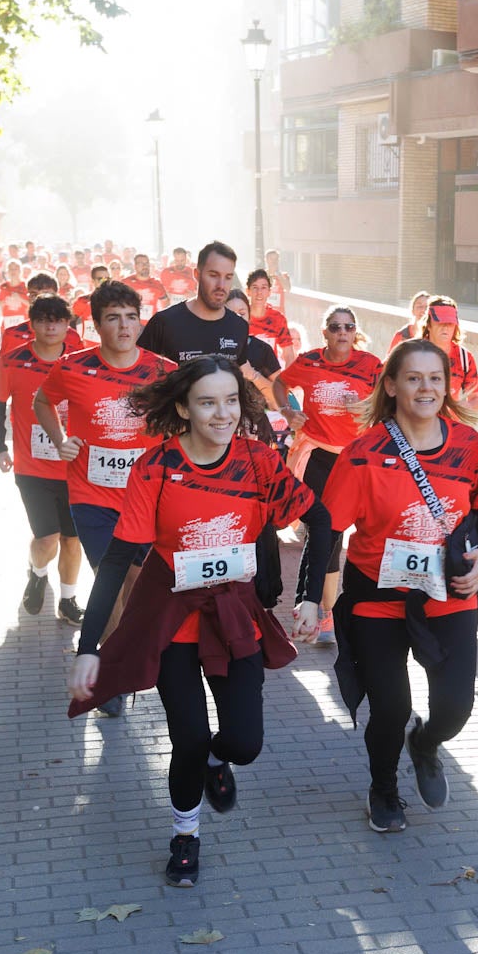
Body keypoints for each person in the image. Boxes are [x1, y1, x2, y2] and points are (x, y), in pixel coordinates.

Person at [66, 356, 331, 887]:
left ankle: (216, 759)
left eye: (231, 400)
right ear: (184, 408)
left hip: (234, 613)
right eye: (208, 402)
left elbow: (319, 520)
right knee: (185, 737)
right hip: (172, 615)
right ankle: (185, 834)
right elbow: (119, 559)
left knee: (245, 742)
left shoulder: (257, 460)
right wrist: (89, 645)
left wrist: (309, 599)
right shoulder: (156, 466)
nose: (222, 413)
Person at [322, 339, 478, 833]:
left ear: (447, 385)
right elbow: (328, 529)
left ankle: (425, 743)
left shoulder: (468, 444)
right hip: (376, 598)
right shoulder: (362, 454)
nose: (426, 388)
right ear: (392, 385)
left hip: (449, 593)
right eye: (414, 378)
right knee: (391, 707)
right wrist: (312, 598)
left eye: (436, 378)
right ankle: (383, 789)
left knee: (456, 708)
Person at [34, 280, 177, 716]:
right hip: (91, 496)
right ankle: (111, 678)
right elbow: (43, 401)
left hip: (145, 498)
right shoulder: (73, 367)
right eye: (113, 318)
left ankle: (122, 656)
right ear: (97, 325)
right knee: (111, 581)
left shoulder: (163, 371)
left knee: (135, 584)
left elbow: (186, 413)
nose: (124, 326)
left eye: (131, 317)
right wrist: (60, 439)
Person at [273, 306, 386, 643]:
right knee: (326, 531)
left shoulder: (371, 365)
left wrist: (364, 406)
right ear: (324, 332)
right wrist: (287, 411)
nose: (342, 332)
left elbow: (388, 402)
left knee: (345, 533)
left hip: (355, 461)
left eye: (348, 327)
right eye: (335, 327)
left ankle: (329, 609)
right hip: (318, 456)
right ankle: (325, 613)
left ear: (355, 332)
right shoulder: (309, 361)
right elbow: (280, 383)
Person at [0, 293, 86, 624]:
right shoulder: (13, 361)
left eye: (58, 320)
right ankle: (37, 571)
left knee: (73, 540)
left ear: (67, 325)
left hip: (76, 468)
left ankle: (69, 601)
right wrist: (0, 447)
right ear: (32, 325)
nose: (51, 326)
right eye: (44, 320)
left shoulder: (81, 360)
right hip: (32, 468)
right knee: (47, 538)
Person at [137, 241, 282, 395]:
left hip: (225, 419)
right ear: (197, 275)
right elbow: (136, 382)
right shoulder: (164, 322)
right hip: (175, 417)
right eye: (213, 275)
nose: (221, 285)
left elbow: (240, 384)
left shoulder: (239, 326)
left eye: (228, 277)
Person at [418, 296, 478, 412]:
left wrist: (458, 407)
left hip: (447, 426)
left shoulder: (464, 358)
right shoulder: (411, 352)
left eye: (450, 323)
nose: (445, 327)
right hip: (414, 425)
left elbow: (477, 400)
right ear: (428, 325)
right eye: (440, 322)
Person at [1, 274, 82, 354]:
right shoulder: (12, 335)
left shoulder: (72, 337)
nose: (39, 299)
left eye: (45, 294)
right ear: (28, 297)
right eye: (33, 295)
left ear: (57, 296)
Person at [245, 268, 290, 359]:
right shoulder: (241, 317)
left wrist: (284, 374)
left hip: (270, 372)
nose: (259, 292)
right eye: (255, 287)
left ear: (269, 292)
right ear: (248, 291)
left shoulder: (278, 319)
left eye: (264, 288)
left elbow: (289, 354)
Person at [72, 265, 111, 345]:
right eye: (100, 279)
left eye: (107, 278)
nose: (104, 281)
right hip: (89, 350)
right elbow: (71, 322)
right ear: (93, 281)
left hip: (110, 349)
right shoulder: (83, 301)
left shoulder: (118, 301)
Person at [123, 252, 170, 321]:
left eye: (147, 263)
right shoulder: (126, 283)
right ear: (135, 266)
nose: (145, 266)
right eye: (141, 263)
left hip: (151, 325)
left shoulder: (157, 283)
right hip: (130, 325)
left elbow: (166, 302)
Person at [0, 260, 30, 333]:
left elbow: (31, 305)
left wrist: (20, 299)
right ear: (7, 272)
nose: (13, 271)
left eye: (15, 269)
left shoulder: (26, 286)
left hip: (23, 321)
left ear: (20, 271)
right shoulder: (4, 286)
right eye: (11, 269)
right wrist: (5, 302)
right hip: (7, 321)